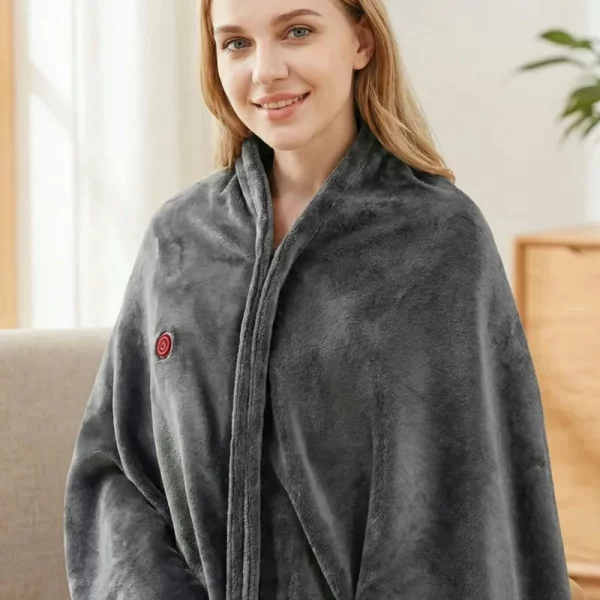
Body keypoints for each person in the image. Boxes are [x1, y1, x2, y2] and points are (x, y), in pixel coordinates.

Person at [63, 0, 572, 598]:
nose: (265, 71)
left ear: (361, 42)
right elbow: (116, 471)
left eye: (297, 31)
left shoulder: (440, 240)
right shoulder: (178, 238)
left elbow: (466, 509)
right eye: (236, 43)